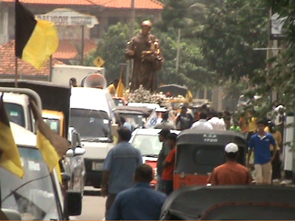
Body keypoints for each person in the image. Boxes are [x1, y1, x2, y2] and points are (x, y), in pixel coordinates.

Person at [101, 127, 142, 217]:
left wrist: (104, 185)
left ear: (119, 137)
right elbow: (140, 171)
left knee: (111, 212)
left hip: (114, 190)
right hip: (131, 190)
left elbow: (106, 171)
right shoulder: (136, 152)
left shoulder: (113, 152)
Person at [125, 20, 164, 92]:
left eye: (148, 28)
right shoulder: (135, 40)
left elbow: (158, 53)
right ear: (141, 28)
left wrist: (155, 57)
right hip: (138, 67)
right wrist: (131, 53)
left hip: (149, 68)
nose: (146, 30)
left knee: (149, 87)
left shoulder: (153, 39)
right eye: (144, 28)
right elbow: (128, 51)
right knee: (137, 85)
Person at [248, 119, 277, 184]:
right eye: (259, 126)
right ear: (257, 127)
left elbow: (275, 145)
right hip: (257, 160)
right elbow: (250, 149)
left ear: (264, 127)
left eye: (262, 126)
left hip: (267, 160)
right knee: (259, 179)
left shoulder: (269, 136)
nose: (260, 128)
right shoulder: (254, 138)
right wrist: (248, 160)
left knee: (267, 180)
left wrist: (273, 157)